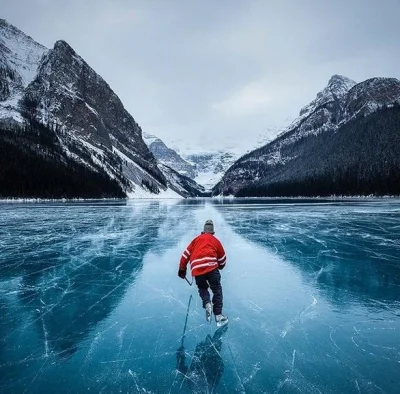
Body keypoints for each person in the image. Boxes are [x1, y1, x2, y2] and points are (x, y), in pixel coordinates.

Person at [178, 219, 228, 326]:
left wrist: (182, 270)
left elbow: (185, 255)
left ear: (203, 231)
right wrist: (220, 266)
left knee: (202, 288)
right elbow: (223, 258)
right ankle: (218, 316)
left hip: (197, 268)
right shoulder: (215, 241)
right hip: (212, 268)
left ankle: (207, 303)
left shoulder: (196, 240)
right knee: (217, 289)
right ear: (212, 232)